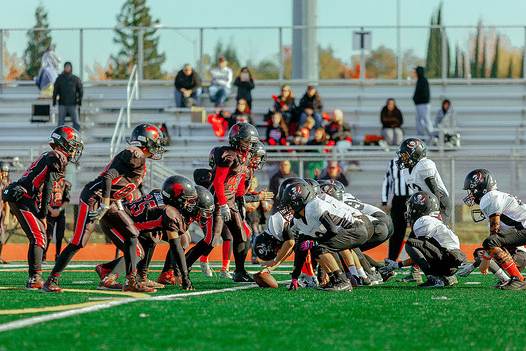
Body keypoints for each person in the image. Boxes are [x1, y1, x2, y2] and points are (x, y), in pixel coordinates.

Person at [43, 124, 166, 293]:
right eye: (156, 142)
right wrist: (106, 204)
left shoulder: (139, 159)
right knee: (79, 241)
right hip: (94, 197)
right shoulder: (135, 154)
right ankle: (51, 280)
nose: (158, 146)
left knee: (132, 233)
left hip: (110, 201)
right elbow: (109, 177)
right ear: (147, 142)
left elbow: (119, 185)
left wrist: (114, 204)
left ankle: (131, 281)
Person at [3, 126, 83, 289]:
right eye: (73, 144)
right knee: (38, 237)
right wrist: (43, 214)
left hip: (23, 195)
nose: (75, 148)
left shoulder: (52, 155)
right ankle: (34, 278)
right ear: (64, 143)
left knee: (40, 236)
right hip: (21, 196)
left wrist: (40, 212)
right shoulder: (58, 157)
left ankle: (35, 276)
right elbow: (47, 187)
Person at [96, 176, 198, 291]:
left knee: (152, 237)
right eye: (186, 200)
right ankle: (108, 278)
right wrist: (184, 277)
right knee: (137, 252)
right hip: (117, 222)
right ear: (175, 198)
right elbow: (176, 246)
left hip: (127, 220)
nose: (187, 204)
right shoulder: (169, 212)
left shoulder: (159, 194)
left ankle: (140, 277)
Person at [381, 191, 465, 288]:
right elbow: (424, 253)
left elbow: (418, 252)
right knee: (416, 244)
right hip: (452, 261)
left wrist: (397, 265)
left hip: (446, 260)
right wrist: (399, 265)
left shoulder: (422, 221)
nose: (410, 209)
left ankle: (434, 279)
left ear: (422, 207)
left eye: (412, 206)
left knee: (410, 244)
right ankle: (446, 277)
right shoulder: (434, 220)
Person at [462, 169, 526, 290]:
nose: (470, 194)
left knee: (490, 242)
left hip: (523, 238)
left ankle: (518, 279)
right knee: (484, 249)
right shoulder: (495, 196)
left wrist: (485, 260)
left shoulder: (489, 197)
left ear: (480, 187)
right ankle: (509, 279)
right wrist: (478, 262)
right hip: (521, 237)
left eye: (471, 190)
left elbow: (494, 233)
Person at [397, 138, 450, 222]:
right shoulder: (406, 171)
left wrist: (436, 210)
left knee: (435, 231)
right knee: (418, 231)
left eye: (405, 156)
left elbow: (434, 189)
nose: (402, 159)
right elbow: (416, 191)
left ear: (415, 154)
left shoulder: (424, 164)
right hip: (425, 201)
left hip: (439, 200)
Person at [381, 157, 410, 261]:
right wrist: (384, 201)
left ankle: (418, 262)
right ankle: (391, 260)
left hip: (414, 198)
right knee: (397, 231)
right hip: (398, 200)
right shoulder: (393, 162)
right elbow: (387, 181)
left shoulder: (418, 161)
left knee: (419, 229)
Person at [42, 178, 71, 262]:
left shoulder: (65, 183)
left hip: (60, 212)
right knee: (48, 236)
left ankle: (58, 255)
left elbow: (66, 200)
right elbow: (44, 199)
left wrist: (59, 210)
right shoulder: (48, 182)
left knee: (60, 236)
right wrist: (51, 210)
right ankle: (43, 256)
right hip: (50, 212)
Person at [52, 62, 83, 131]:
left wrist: (79, 101)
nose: (67, 68)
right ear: (64, 68)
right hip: (62, 104)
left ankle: (76, 138)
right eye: (66, 67)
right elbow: (55, 90)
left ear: (71, 68)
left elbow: (80, 90)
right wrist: (54, 101)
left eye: (68, 67)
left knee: (76, 123)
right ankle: (60, 138)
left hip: (73, 104)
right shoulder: (59, 79)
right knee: (60, 123)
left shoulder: (75, 79)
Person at [412, 66, 432, 143]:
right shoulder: (419, 80)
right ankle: (421, 137)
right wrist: (415, 99)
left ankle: (431, 136)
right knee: (418, 121)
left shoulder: (423, 80)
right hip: (419, 104)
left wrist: (416, 99)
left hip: (423, 104)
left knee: (426, 120)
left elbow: (424, 94)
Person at [0, 162, 11, 264]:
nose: (4, 174)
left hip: (1, 214)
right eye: (2, 172)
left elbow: (7, 201)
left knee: (1, 237)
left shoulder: (6, 184)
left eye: (6, 172)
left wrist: (8, 215)